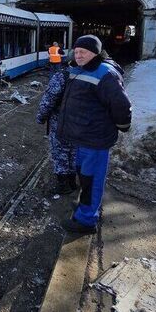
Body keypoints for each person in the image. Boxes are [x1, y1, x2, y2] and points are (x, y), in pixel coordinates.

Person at [56, 35, 132, 234]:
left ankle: (87, 220)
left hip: (95, 139)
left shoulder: (105, 73)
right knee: (84, 176)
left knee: (91, 180)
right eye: (76, 51)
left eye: (83, 52)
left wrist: (123, 125)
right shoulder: (79, 69)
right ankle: (85, 206)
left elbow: (121, 104)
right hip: (83, 137)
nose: (78, 55)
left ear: (95, 53)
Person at [36, 59, 76, 195]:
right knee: (75, 152)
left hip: (61, 123)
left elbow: (48, 101)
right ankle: (73, 181)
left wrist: (41, 118)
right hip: (82, 125)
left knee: (60, 152)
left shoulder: (62, 76)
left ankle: (63, 185)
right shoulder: (91, 76)